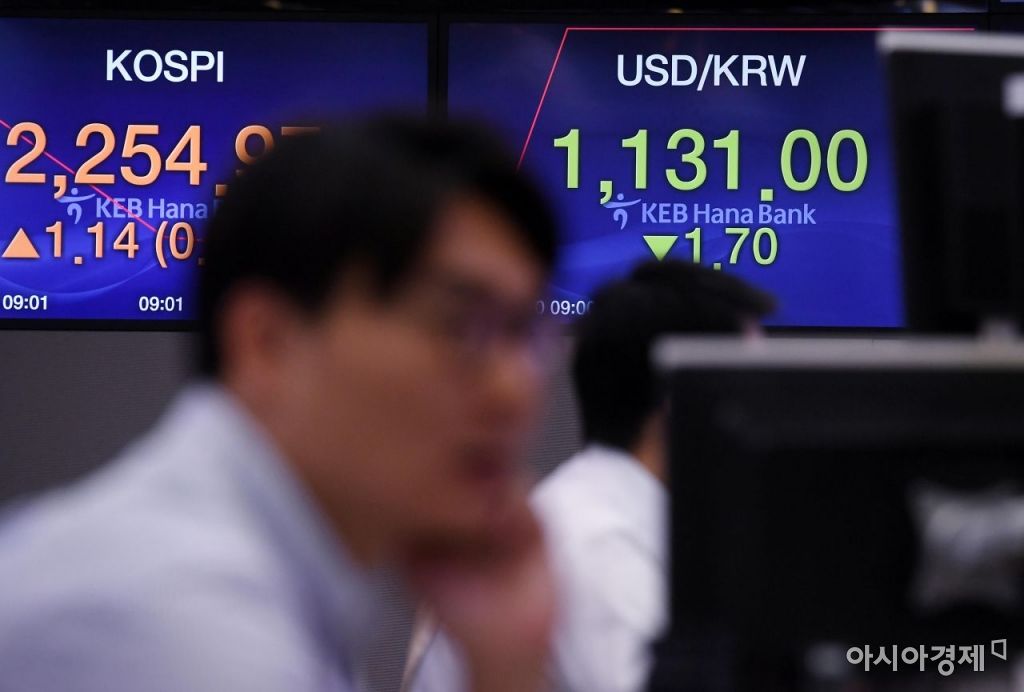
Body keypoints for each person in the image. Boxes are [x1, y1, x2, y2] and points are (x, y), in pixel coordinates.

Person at [0, 117, 559, 692]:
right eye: (461, 328)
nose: (514, 388)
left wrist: (504, 663)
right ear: (266, 342)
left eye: (524, 333)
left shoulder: (256, 582)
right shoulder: (176, 623)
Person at [411, 260, 773, 692]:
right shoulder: (599, 542)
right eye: (752, 384)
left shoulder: (611, 513)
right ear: (681, 396)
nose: (770, 412)